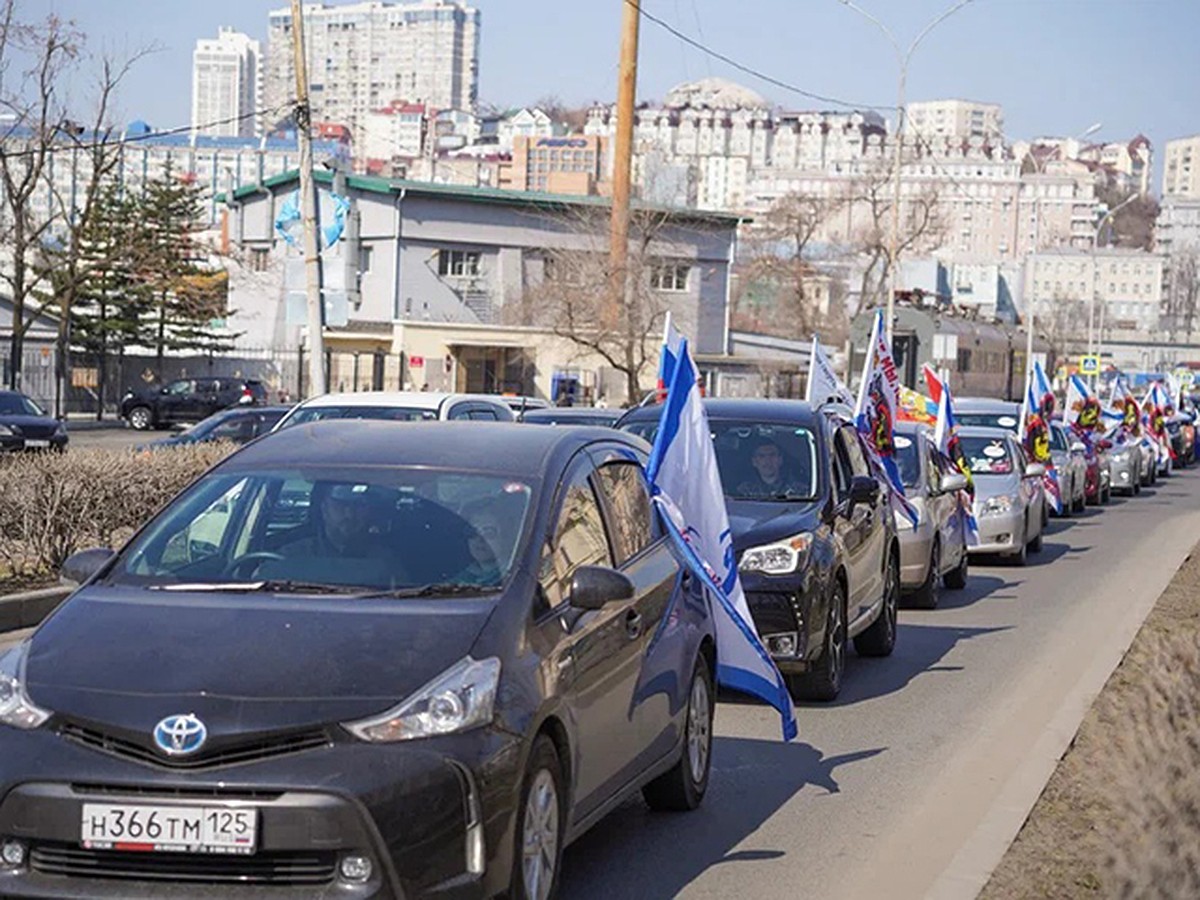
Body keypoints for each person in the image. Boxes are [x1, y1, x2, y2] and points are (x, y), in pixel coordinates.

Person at [455, 503, 507, 585]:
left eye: (489, 532)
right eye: (472, 532)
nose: (479, 539)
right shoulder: (459, 581)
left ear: (505, 538)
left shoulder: (513, 578)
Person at [736, 438, 802, 498]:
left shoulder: (799, 491)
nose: (767, 460)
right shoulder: (744, 491)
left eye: (772, 455)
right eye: (762, 456)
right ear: (754, 462)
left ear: (780, 460)